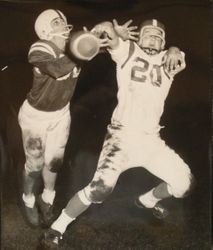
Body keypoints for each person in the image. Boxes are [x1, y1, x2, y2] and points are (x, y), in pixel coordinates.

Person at [41, 19, 195, 248]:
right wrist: (113, 31)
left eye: (158, 36)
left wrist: (174, 49)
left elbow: (178, 56)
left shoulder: (169, 59)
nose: (152, 39)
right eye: (148, 34)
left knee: (184, 184)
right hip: (121, 138)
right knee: (100, 190)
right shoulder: (128, 51)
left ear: (163, 42)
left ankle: (147, 200)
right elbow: (106, 30)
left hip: (151, 140)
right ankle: (58, 226)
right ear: (139, 37)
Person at [18, 9, 105, 228]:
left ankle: (47, 199)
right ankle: (27, 200)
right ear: (46, 29)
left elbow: (106, 46)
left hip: (61, 114)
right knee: (35, 166)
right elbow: (56, 70)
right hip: (35, 117)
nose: (65, 25)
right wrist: (82, 48)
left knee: (54, 163)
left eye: (64, 21)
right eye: (58, 22)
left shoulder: (73, 44)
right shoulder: (41, 46)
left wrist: (110, 34)